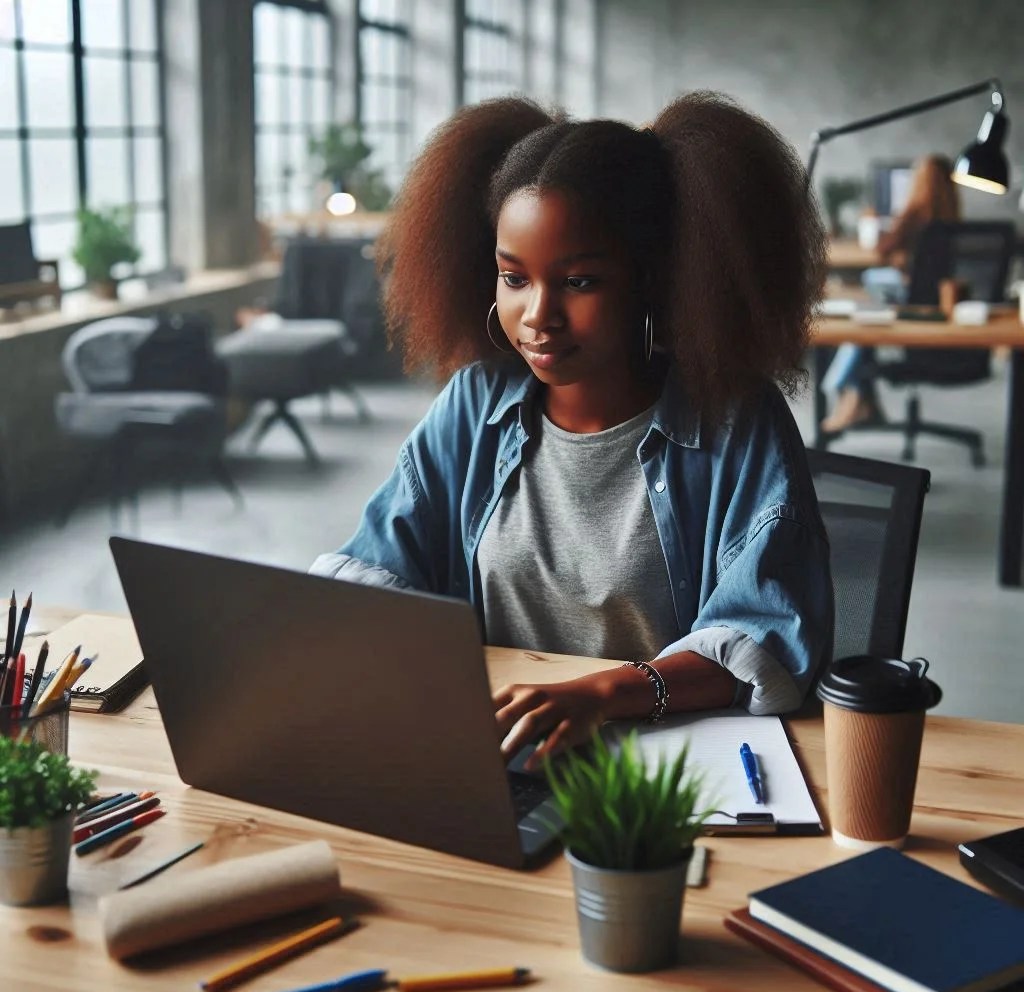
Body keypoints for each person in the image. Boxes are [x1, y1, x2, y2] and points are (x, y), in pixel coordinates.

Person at [311, 92, 833, 770]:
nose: (537, 316)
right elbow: (375, 570)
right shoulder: (476, 403)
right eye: (514, 278)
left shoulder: (735, 419)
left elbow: (764, 636)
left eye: (579, 281)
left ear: (652, 281)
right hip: (504, 753)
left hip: (667, 768)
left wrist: (602, 694)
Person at [821, 154, 961, 432]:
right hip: (939, 306)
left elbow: (882, 248)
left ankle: (846, 391)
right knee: (867, 307)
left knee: (864, 301)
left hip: (909, 304)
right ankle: (862, 399)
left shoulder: (914, 212)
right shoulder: (953, 215)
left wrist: (873, 219)